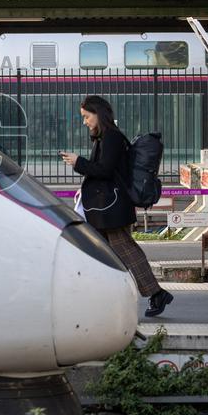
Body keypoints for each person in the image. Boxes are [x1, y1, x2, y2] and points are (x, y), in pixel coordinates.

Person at [60, 95, 174, 318]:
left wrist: (79, 162)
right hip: (105, 207)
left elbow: (104, 170)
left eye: (86, 116)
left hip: (110, 207)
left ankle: (156, 293)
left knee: (126, 251)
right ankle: (106, 296)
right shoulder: (105, 137)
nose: (84, 122)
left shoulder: (111, 137)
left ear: (98, 114)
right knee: (105, 253)